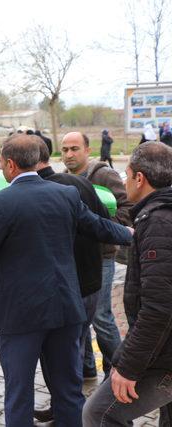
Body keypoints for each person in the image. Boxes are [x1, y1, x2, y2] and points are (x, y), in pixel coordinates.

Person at [0, 134, 132, 426]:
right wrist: (135, 234)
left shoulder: (1, 202)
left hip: (21, 316)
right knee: (69, 392)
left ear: (9, 164)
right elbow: (101, 228)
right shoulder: (65, 195)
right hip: (65, 310)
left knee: (19, 395)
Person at [83, 142, 172, 426]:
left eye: (126, 173)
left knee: (99, 413)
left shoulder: (159, 222)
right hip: (161, 349)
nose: (123, 181)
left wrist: (128, 366)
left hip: (163, 355)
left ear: (139, 178)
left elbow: (159, 308)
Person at [34, 140, 111, 423]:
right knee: (74, 348)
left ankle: (69, 412)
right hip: (89, 283)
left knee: (60, 355)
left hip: (65, 288)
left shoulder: (35, 192)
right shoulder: (80, 185)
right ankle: (65, 406)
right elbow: (105, 223)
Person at [62, 131, 134, 380]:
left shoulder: (103, 175)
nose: (69, 154)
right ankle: (86, 369)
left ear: (87, 150)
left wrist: (100, 227)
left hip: (101, 257)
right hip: (77, 258)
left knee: (101, 317)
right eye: (65, 150)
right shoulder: (64, 179)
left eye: (74, 149)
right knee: (79, 316)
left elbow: (128, 209)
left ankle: (116, 371)